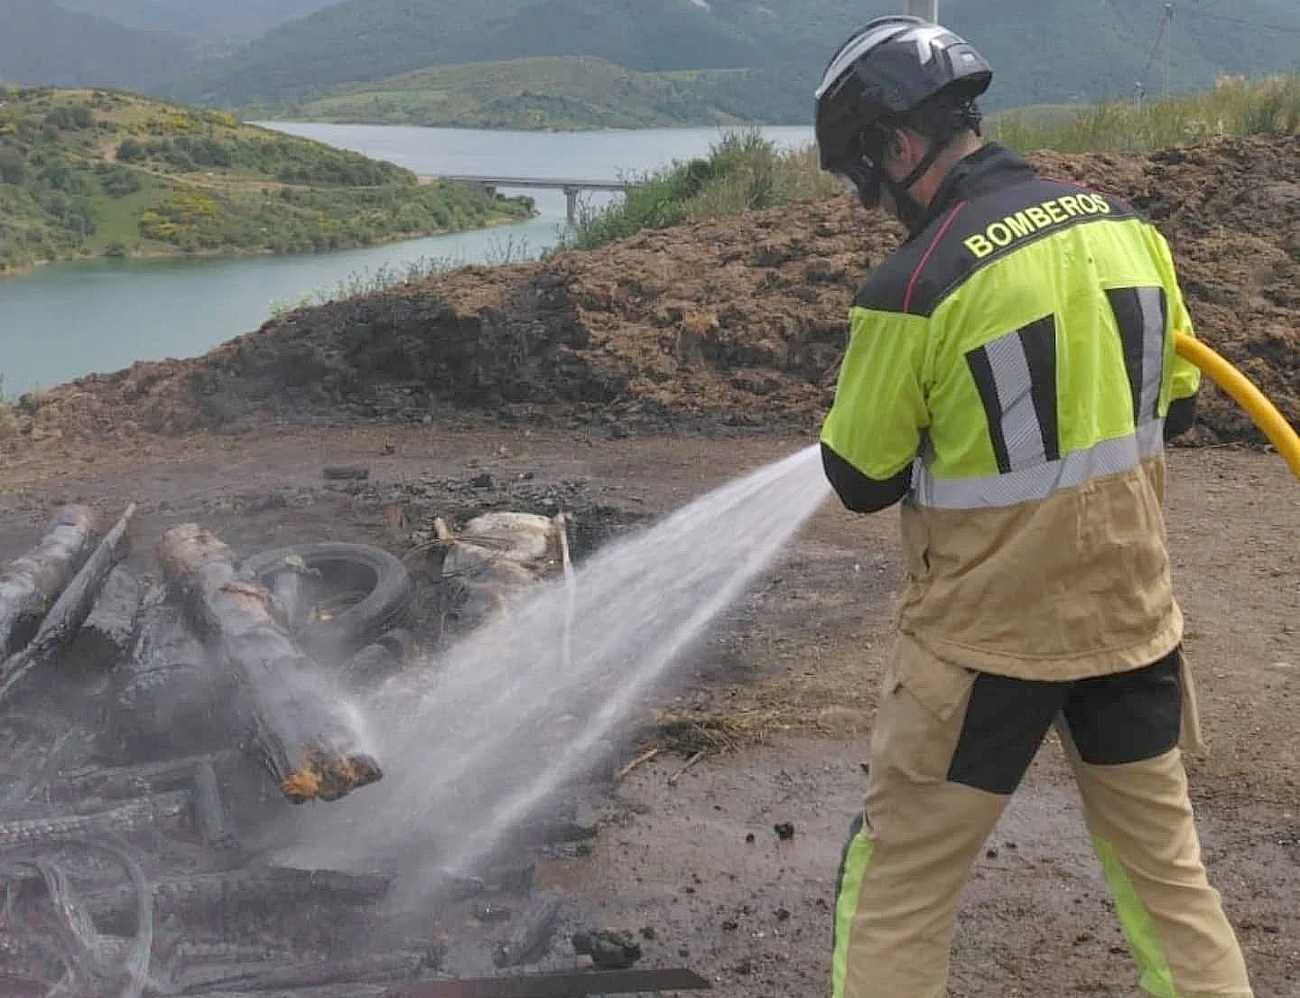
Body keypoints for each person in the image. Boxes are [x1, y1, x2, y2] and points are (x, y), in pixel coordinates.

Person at [815, 16, 1253, 998]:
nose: (868, 202)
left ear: (896, 145)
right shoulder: (1129, 231)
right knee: (1171, 890)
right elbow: (1172, 409)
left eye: (862, 175)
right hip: (1132, 628)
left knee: (896, 891)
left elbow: (857, 477)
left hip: (982, 652)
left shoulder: (914, 283)